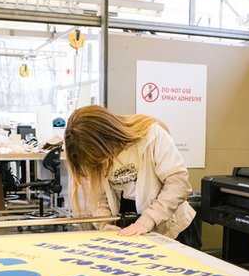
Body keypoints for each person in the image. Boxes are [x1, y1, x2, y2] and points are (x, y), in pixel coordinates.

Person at [63, 105, 200, 248]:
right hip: (129, 224)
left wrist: (148, 220)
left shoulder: (152, 135)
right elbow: (99, 195)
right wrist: (104, 223)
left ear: (108, 136)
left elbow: (178, 184)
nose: (102, 162)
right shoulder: (90, 152)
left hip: (172, 226)